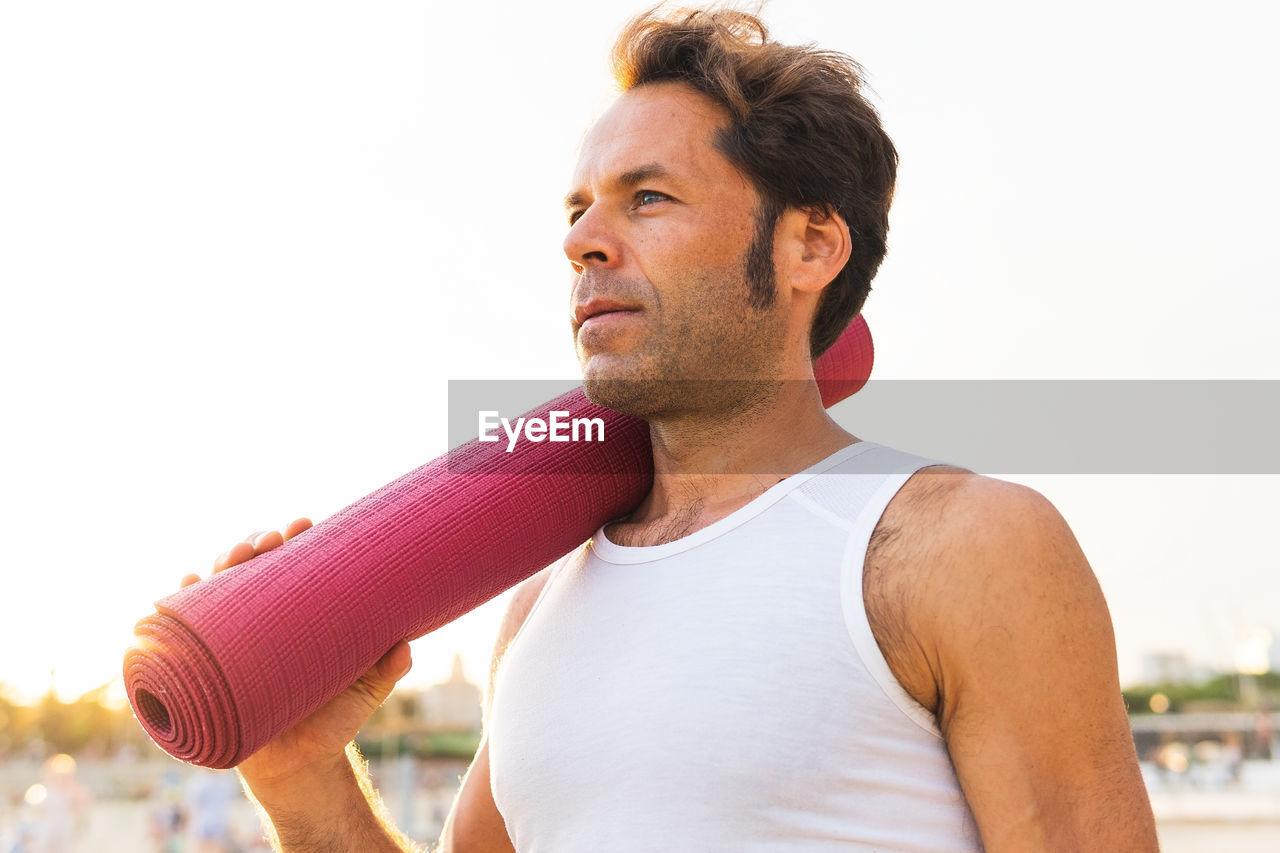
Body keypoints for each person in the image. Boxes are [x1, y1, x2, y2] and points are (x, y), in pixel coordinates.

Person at [183, 7, 1159, 851]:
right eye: (577, 210)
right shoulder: (540, 607)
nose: (580, 240)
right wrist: (303, 774)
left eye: (646, 197)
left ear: (808, 244)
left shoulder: (957, 545)